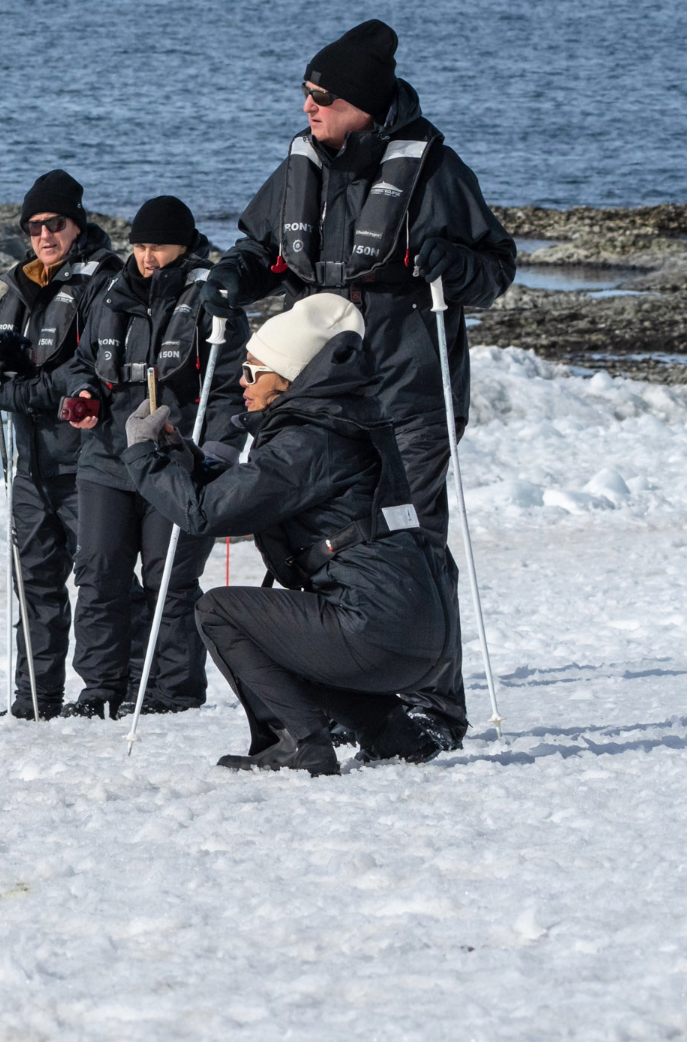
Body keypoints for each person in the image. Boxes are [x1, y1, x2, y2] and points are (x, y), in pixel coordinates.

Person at [203, 19, 518, 745]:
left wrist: (452, 263)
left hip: (406, 396)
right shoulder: (299, 167)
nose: (309, 107)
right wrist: (230, 276)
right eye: (306, 93)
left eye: (324, 96)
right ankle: (348, 702)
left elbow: (496, 269)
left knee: (411, 547)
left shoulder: (434, 171)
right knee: (314, 544)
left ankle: (435, 708)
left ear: (366, 107)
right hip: (315, 404)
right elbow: (263, 250)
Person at [121, 295, 459, 774]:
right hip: (420, 640)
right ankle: (392, 734)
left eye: (253, 372)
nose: (241, 381)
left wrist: (142, 457)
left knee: (218, 611)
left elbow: (205, 513)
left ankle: (299, 742)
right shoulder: (344, 419)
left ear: (291, 377)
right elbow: (257, 488)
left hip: (380, 635)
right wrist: (185, 457)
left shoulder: (307, 438)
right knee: (284, 629)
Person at [54, 196, 244, 717]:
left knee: (169, 581)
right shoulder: (111, 293)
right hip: (106, 457)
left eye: (156, 246)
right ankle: (99, 690)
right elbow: (83, 362)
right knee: (97, 573)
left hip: (174, 462)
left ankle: (173, 693)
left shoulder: (215, 297)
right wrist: (84, 395)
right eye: (139, 245)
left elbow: (229, 390)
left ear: (183, 244)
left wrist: (217, 460)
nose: (145, 256)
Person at [0, 170, 122, 720]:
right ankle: (34, 703)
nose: (45, 235)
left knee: (100, 582)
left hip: (90, 460)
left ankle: (103, 696)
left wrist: (19, 391)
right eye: (34, 227)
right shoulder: (19, 285)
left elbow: (94, 368)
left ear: (77, 223)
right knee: (33, 583)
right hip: (31, 462)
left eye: (55, 224)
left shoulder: (105, 281)